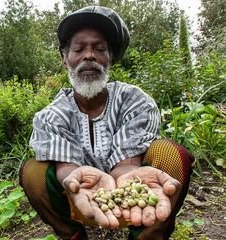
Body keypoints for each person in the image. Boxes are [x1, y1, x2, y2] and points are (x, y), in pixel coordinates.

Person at [19, 6, 193, 240]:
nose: (88, 55)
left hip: (129, 198)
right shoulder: (51, 115)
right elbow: (66, 168)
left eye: (99, 48)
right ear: (64, 58)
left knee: (171, 153)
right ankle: (72, 235)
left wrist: (126, 178)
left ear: (110, 57)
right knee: (33, 172)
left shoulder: (135, 101)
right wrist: (77, 178)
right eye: (79, 49)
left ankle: (147, 236)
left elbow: (126, 164)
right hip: (79, 199)